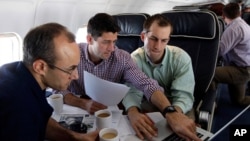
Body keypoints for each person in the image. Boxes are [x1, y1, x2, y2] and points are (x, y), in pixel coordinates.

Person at [57, 13, 200, 141]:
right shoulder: (72, 54)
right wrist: (83, 104)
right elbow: (56, 90)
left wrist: (169, 111)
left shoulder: (122, 58)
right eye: (106, 42)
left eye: (114, 41)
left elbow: (146, 84)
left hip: (108, 114)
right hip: (75, 110)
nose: (112, 48)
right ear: (89, 39)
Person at [0, 23, 98, 141]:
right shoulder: (18, 107)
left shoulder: (17, 71)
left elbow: (41, 120)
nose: (76, 76)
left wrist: (74, 137)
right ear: (40, 67)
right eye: (70, 69)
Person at [122, 13, 196, 137]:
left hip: (177, 105)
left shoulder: (181, 58)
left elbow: (183, 96)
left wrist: (173, 115)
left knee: (183, 135)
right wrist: (132, 111)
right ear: (143, 36)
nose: (158, 46)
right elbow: (132, 92)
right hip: (149, 104)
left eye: (164, 40)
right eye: (153, 39)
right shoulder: (134, 59)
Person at [210, 2, 250, 106]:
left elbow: (220, 51)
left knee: (211, 74)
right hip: (243, 67)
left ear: (223, 15)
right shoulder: (242, 24)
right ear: (239, 13)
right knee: (239, 101)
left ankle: (211, 105)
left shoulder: (233, 29)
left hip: (241, 70)